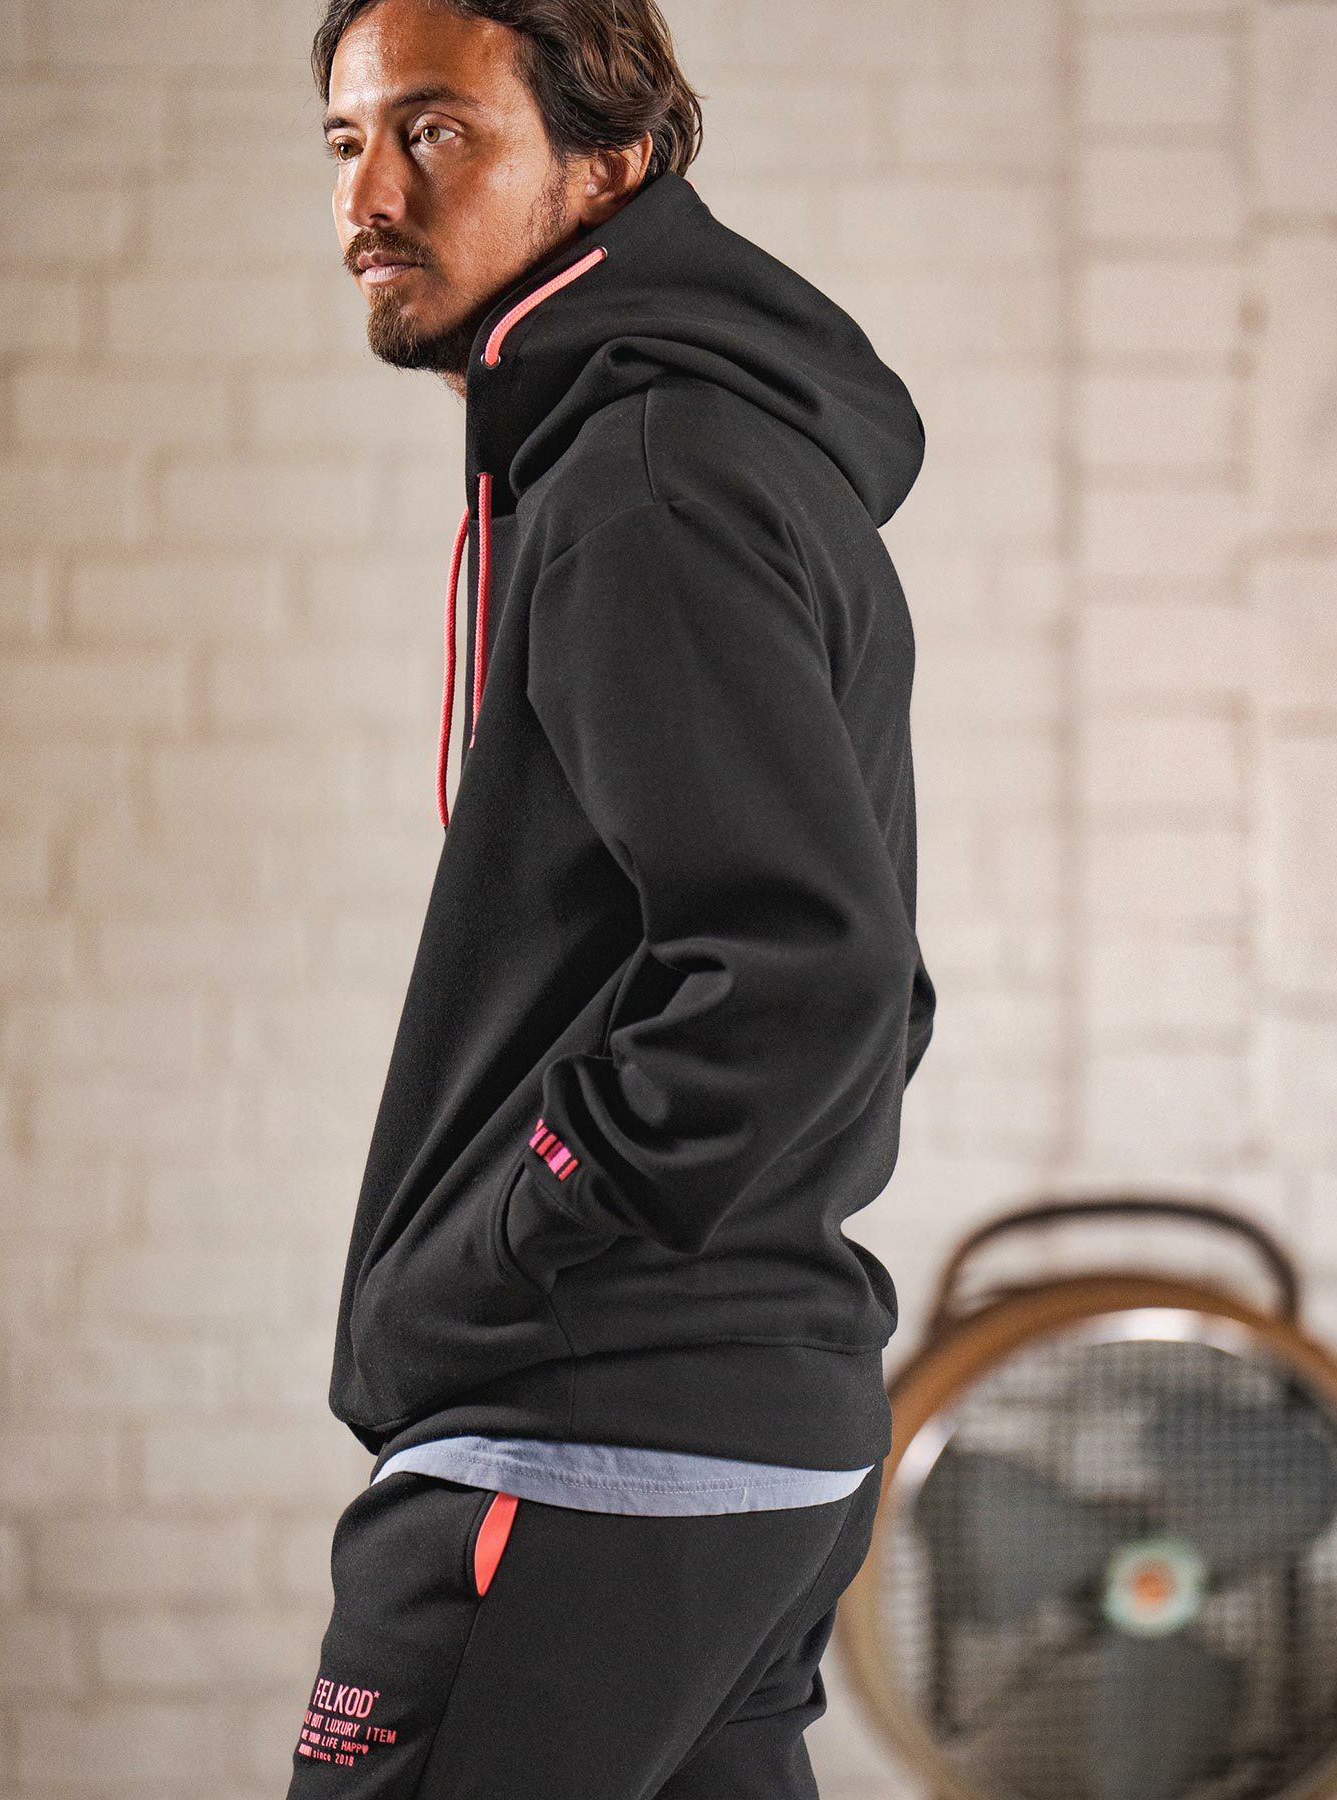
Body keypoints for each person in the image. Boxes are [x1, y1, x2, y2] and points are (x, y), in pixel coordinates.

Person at [287, 1, 935, 1793]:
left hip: (588, 1436)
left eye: (436, 131)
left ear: (609, 162)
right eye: (346, 141)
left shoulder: (645, 479)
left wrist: (525, 1223)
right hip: (732, 1433)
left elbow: (812, 972)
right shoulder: (696, 452)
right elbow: (855, 968)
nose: (372, 195)